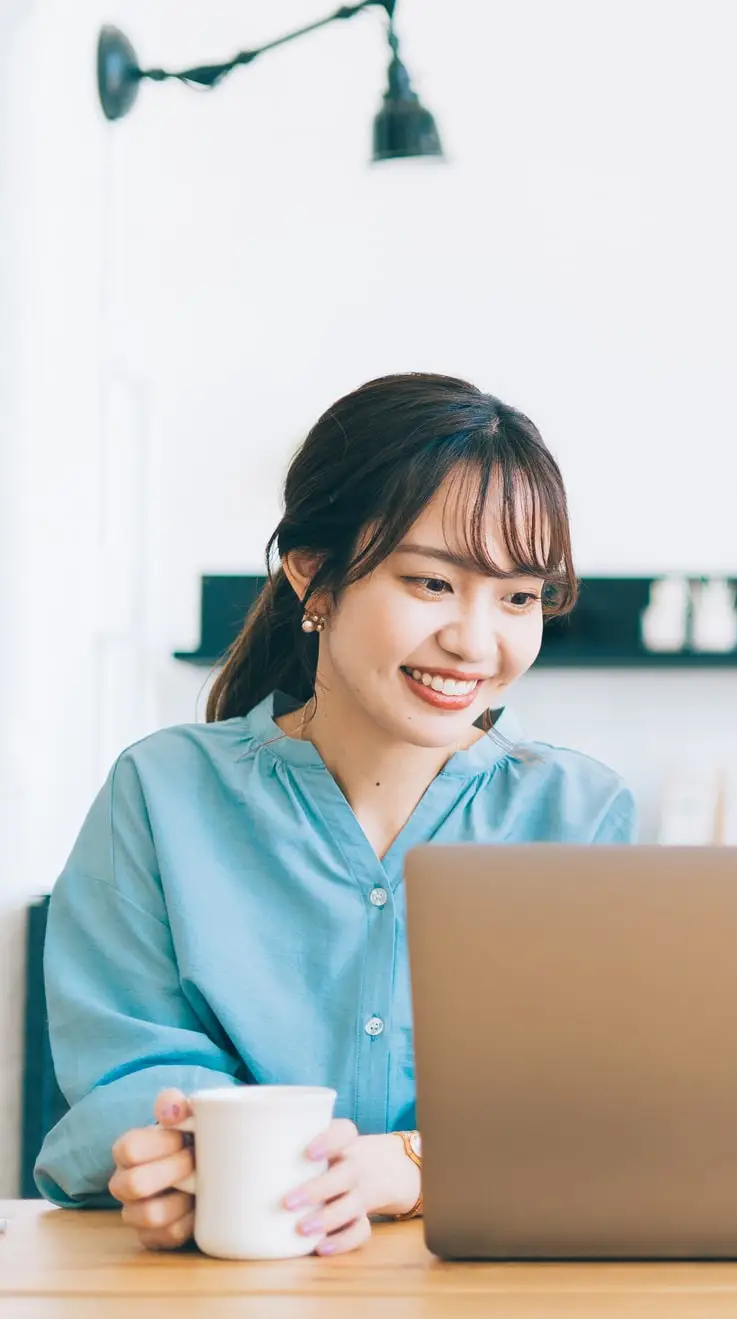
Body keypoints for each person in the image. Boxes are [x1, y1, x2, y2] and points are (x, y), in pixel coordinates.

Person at [35, 373, 634, 1253]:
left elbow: (602, 1104)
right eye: (432, 582)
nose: (476, 641)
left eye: (519, 597)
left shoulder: (577, 813)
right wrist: (171, 1160)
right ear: (313, 573)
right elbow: (128, 1065)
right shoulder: (162, 794)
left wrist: (419, 1164)